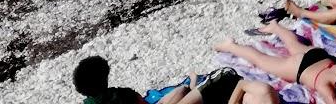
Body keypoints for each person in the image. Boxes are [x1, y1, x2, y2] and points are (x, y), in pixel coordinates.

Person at [216, 22, 336, 103]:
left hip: (318, 56)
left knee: (293, 44)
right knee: (260, 60)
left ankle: (275, 27)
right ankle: (231, 46)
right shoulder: (325, 85)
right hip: (298, 68)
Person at [73, 56, 275, 104]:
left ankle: (194, 83)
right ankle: (199, 83)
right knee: (224, 77)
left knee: (181, 91)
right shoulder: (121, 95)